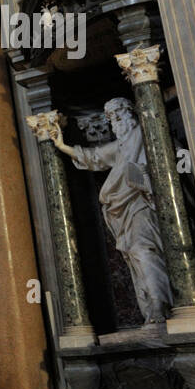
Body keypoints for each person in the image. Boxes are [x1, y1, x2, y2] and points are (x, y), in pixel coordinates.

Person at [51, 98, 172, 322]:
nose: (115, 122)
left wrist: (147, 183)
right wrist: (62, 146)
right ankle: (151, 311)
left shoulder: (145, 135)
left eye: (118, 115)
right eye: (111, 118)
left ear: (130, 114)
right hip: (120, 210)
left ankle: (160, 304)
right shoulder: (122, 145)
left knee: (144, 251)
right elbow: (94, 157)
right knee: (134, 257)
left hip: (142, 204)